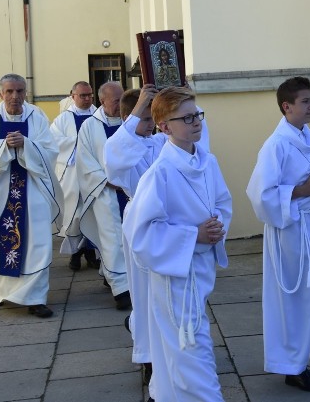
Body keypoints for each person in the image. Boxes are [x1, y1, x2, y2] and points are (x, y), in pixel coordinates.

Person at [122, 86, 231, 402]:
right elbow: (140, 231)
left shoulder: (208, 162)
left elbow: (222, 201)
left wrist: (216, 225)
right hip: (174, 278)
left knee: (181, 352)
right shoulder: (160, 173)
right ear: (164, 126)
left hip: (198, 270)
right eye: (186, 118)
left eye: (197, 115)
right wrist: (193, 235)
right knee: (193, 354)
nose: (196, 122)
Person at [105, 84, 211, 394]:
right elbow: (113, 162)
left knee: (180, 304)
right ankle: (151, 360)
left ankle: (177, 364)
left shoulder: (165, 144)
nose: (148, 126)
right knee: (147, 299)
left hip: (182, 234)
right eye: (142, 119)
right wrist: (139, 107)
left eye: (152, 119)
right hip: (148, 233)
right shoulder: (130, 147)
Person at [246, 77, 310, 392]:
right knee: (298, 298)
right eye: (304, 101)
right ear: (286, 107)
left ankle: (300, 349)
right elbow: (260, 195)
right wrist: (301, 190)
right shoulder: (275, 145)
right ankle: (294, 366)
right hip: (291, 231)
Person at [0, 73, 62, 318]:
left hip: (33, 187)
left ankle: (36, 297)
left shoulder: (36, 116)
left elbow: (50, 149)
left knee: (37, 241)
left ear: (25, 92)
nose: (15, 96)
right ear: (0, 93)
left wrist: (26, 144)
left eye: (19, 91)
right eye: (9, 91)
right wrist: (2, 147)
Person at [75, 81, 131, 310]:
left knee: (131, 237)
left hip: (131, 191)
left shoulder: (131, 123)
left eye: (123, 99)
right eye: (116, 100)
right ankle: (121, 289)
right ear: (103, 101)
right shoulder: (90, 126)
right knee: (112, 239)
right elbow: (84, 160)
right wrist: (105, 179)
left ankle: (123, 277)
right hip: (105, 193)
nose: (120, 105)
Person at [50, 81, 99, 270]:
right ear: (73, 96)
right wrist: (78, 141)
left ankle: (91, 252)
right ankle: (75, 254)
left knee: (93, 213)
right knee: (74, 214)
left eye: (89, 95)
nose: (87, 99)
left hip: (94, 172)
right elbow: (53, 141)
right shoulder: (63, 119)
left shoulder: (98, 115)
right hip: (72, 173)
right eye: (82, 95)